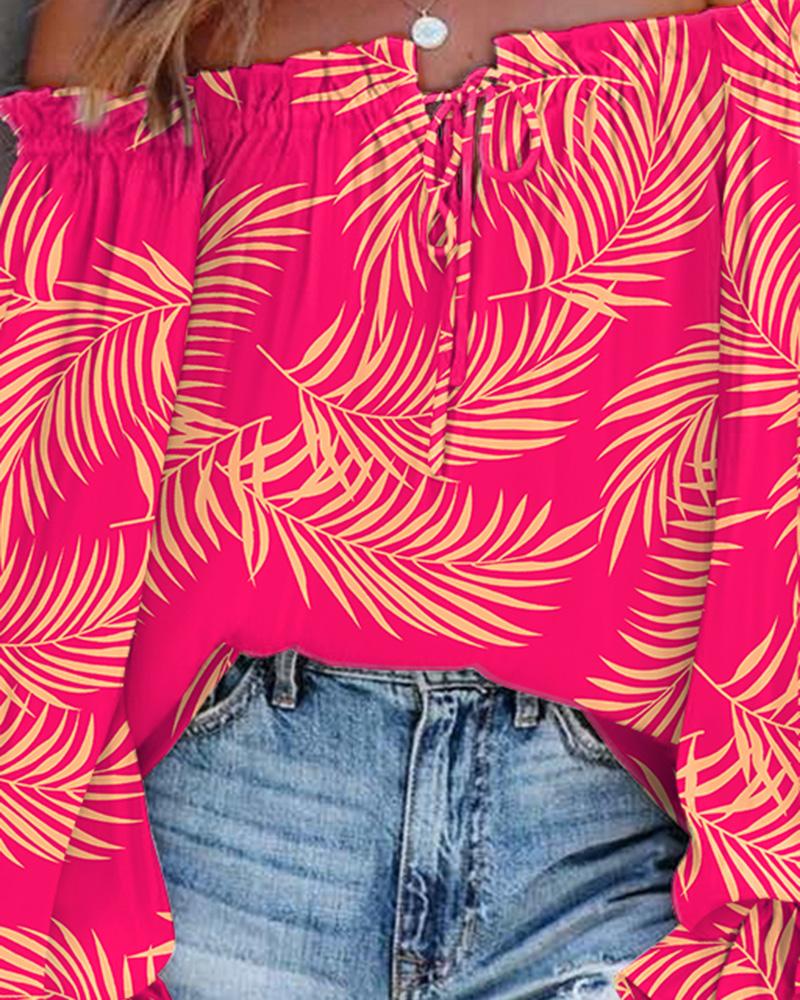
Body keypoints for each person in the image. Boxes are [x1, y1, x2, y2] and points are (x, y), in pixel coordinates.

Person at [2, 1, 795, 999]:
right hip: (224, 828)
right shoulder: (143, 18)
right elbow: (69, 462)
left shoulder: (745, 31)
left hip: (621, 841)